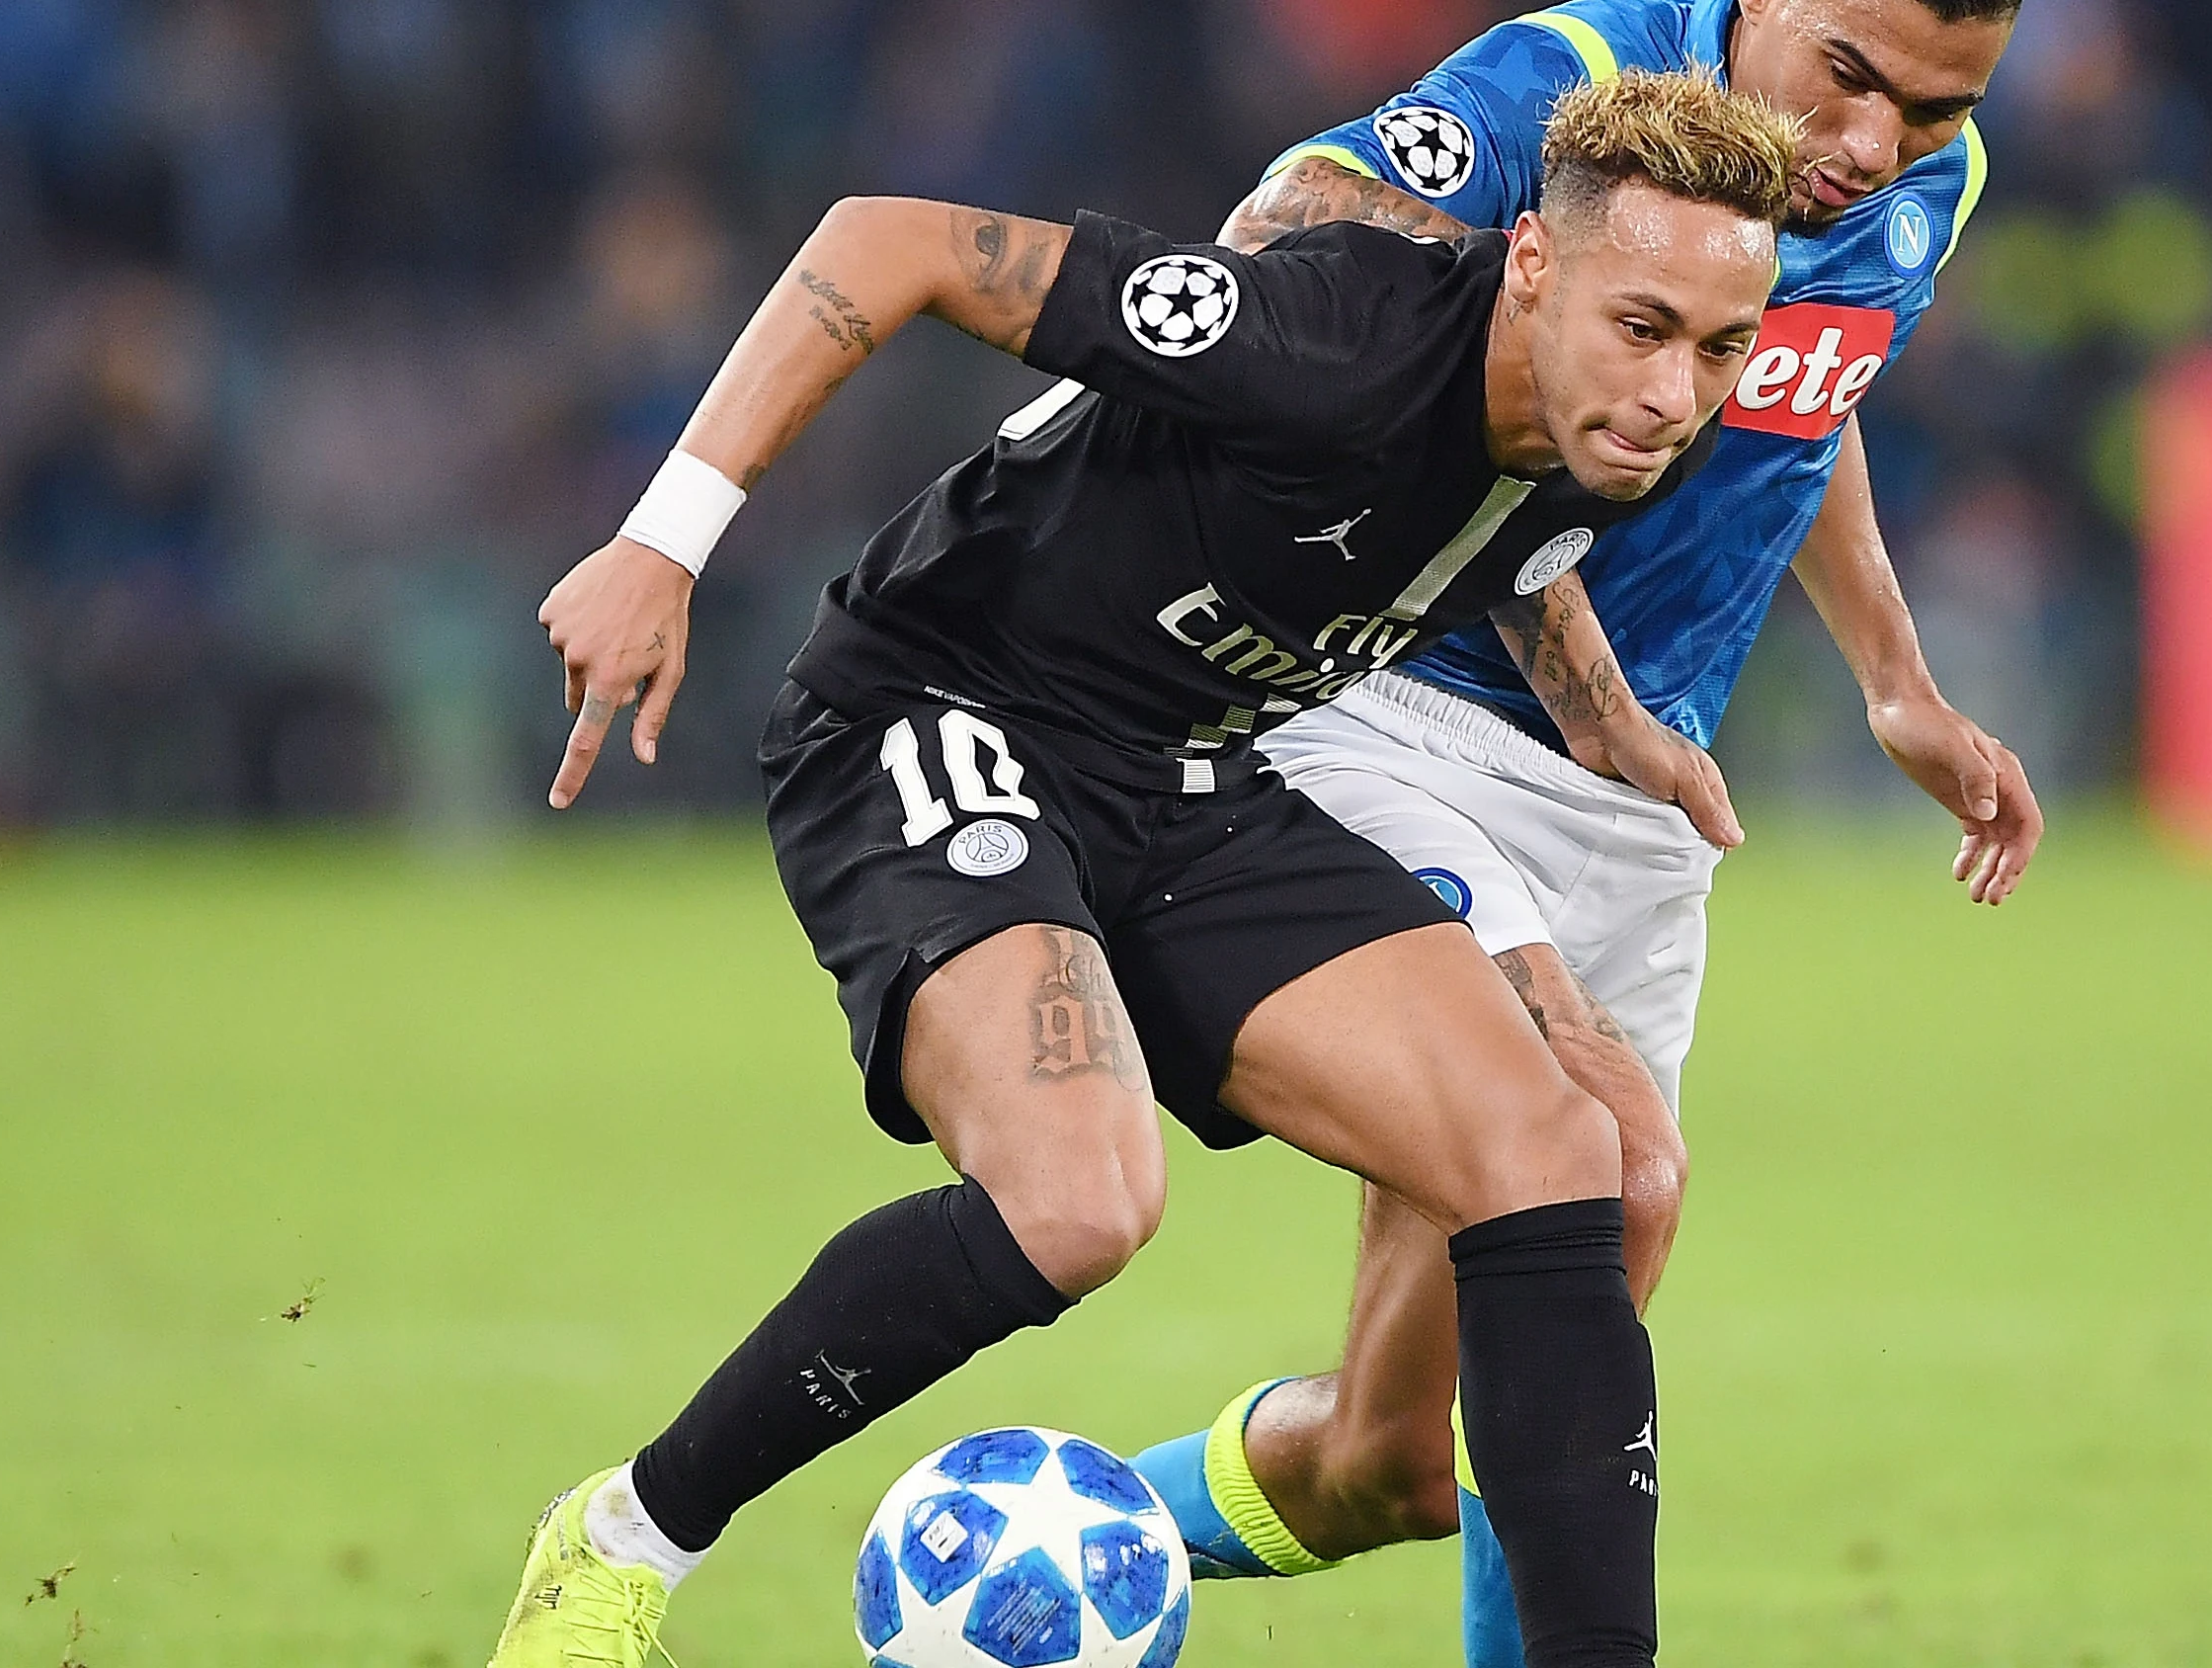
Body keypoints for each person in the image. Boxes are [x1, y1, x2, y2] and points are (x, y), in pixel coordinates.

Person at [487, 70, 1803, 1668]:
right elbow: (889, 239)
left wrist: (1611, 724)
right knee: (1082, 1198)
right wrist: (663, 543)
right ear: (1532, 263)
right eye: (1645, 327)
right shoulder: (1320, 342)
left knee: (1558, 1152)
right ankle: (622, 1540)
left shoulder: (1596, 435)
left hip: (1192, 777)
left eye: (1722, 349)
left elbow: (1498, 552)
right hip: (940, 708)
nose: (1677, 392)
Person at [1121, 4, 2043, 1663]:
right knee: (1612, 1176)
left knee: (1386, 1460)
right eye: (1848, 79)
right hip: (1399, 715)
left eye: (1932, 107)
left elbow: (1795, 400)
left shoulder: (1928, 181)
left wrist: (1896, 679)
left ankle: (1044, 1546)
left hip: (1631, 810)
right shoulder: (1571, 77)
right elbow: (1280, 247)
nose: (1875, 147)